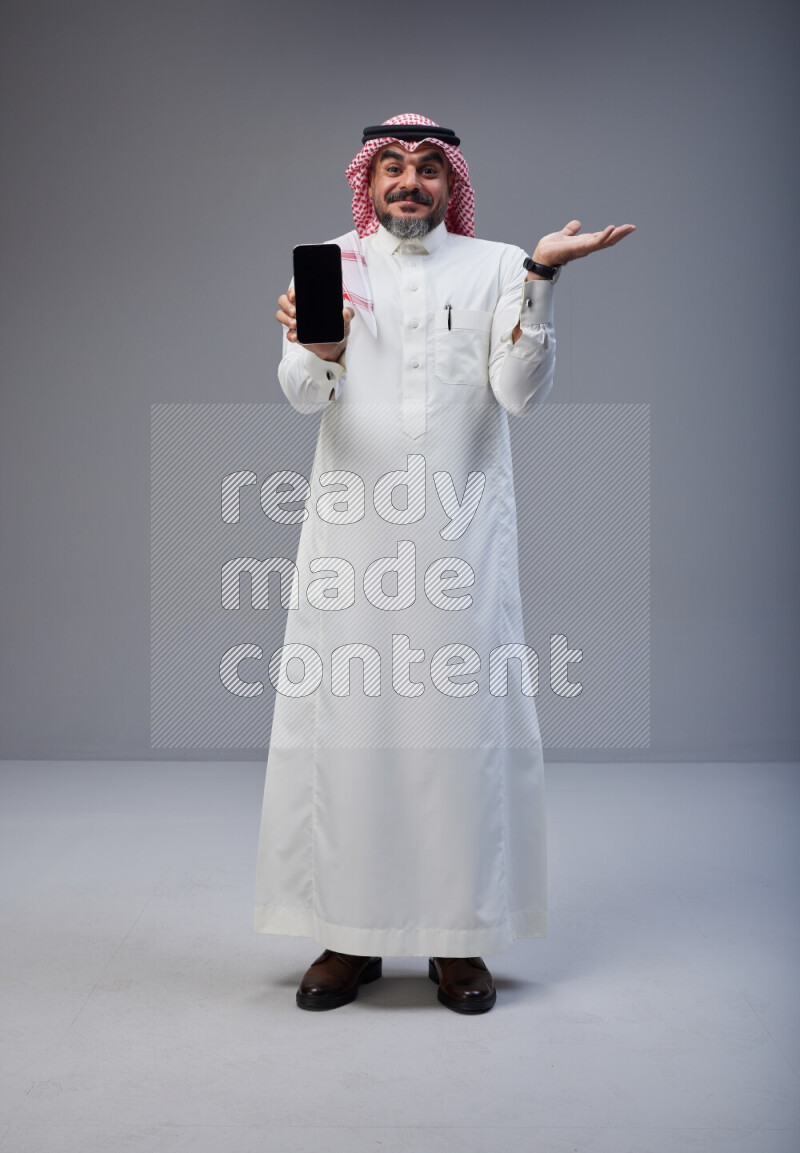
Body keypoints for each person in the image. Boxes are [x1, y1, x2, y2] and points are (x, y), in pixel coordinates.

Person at [254, 113, 635, 1013]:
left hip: (462, 540)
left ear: (448, 182)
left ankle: (459, 939)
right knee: (351, 729)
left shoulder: (501, 263)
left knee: (461, 732)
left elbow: (518, 394)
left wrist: (540, 278)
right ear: (368, 180)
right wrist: (321, 352)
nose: (409, 183)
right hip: (353, 540)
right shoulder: (330, 263)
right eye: (391, 168)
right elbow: (303, 395)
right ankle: (348, 935)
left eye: (427, 168)